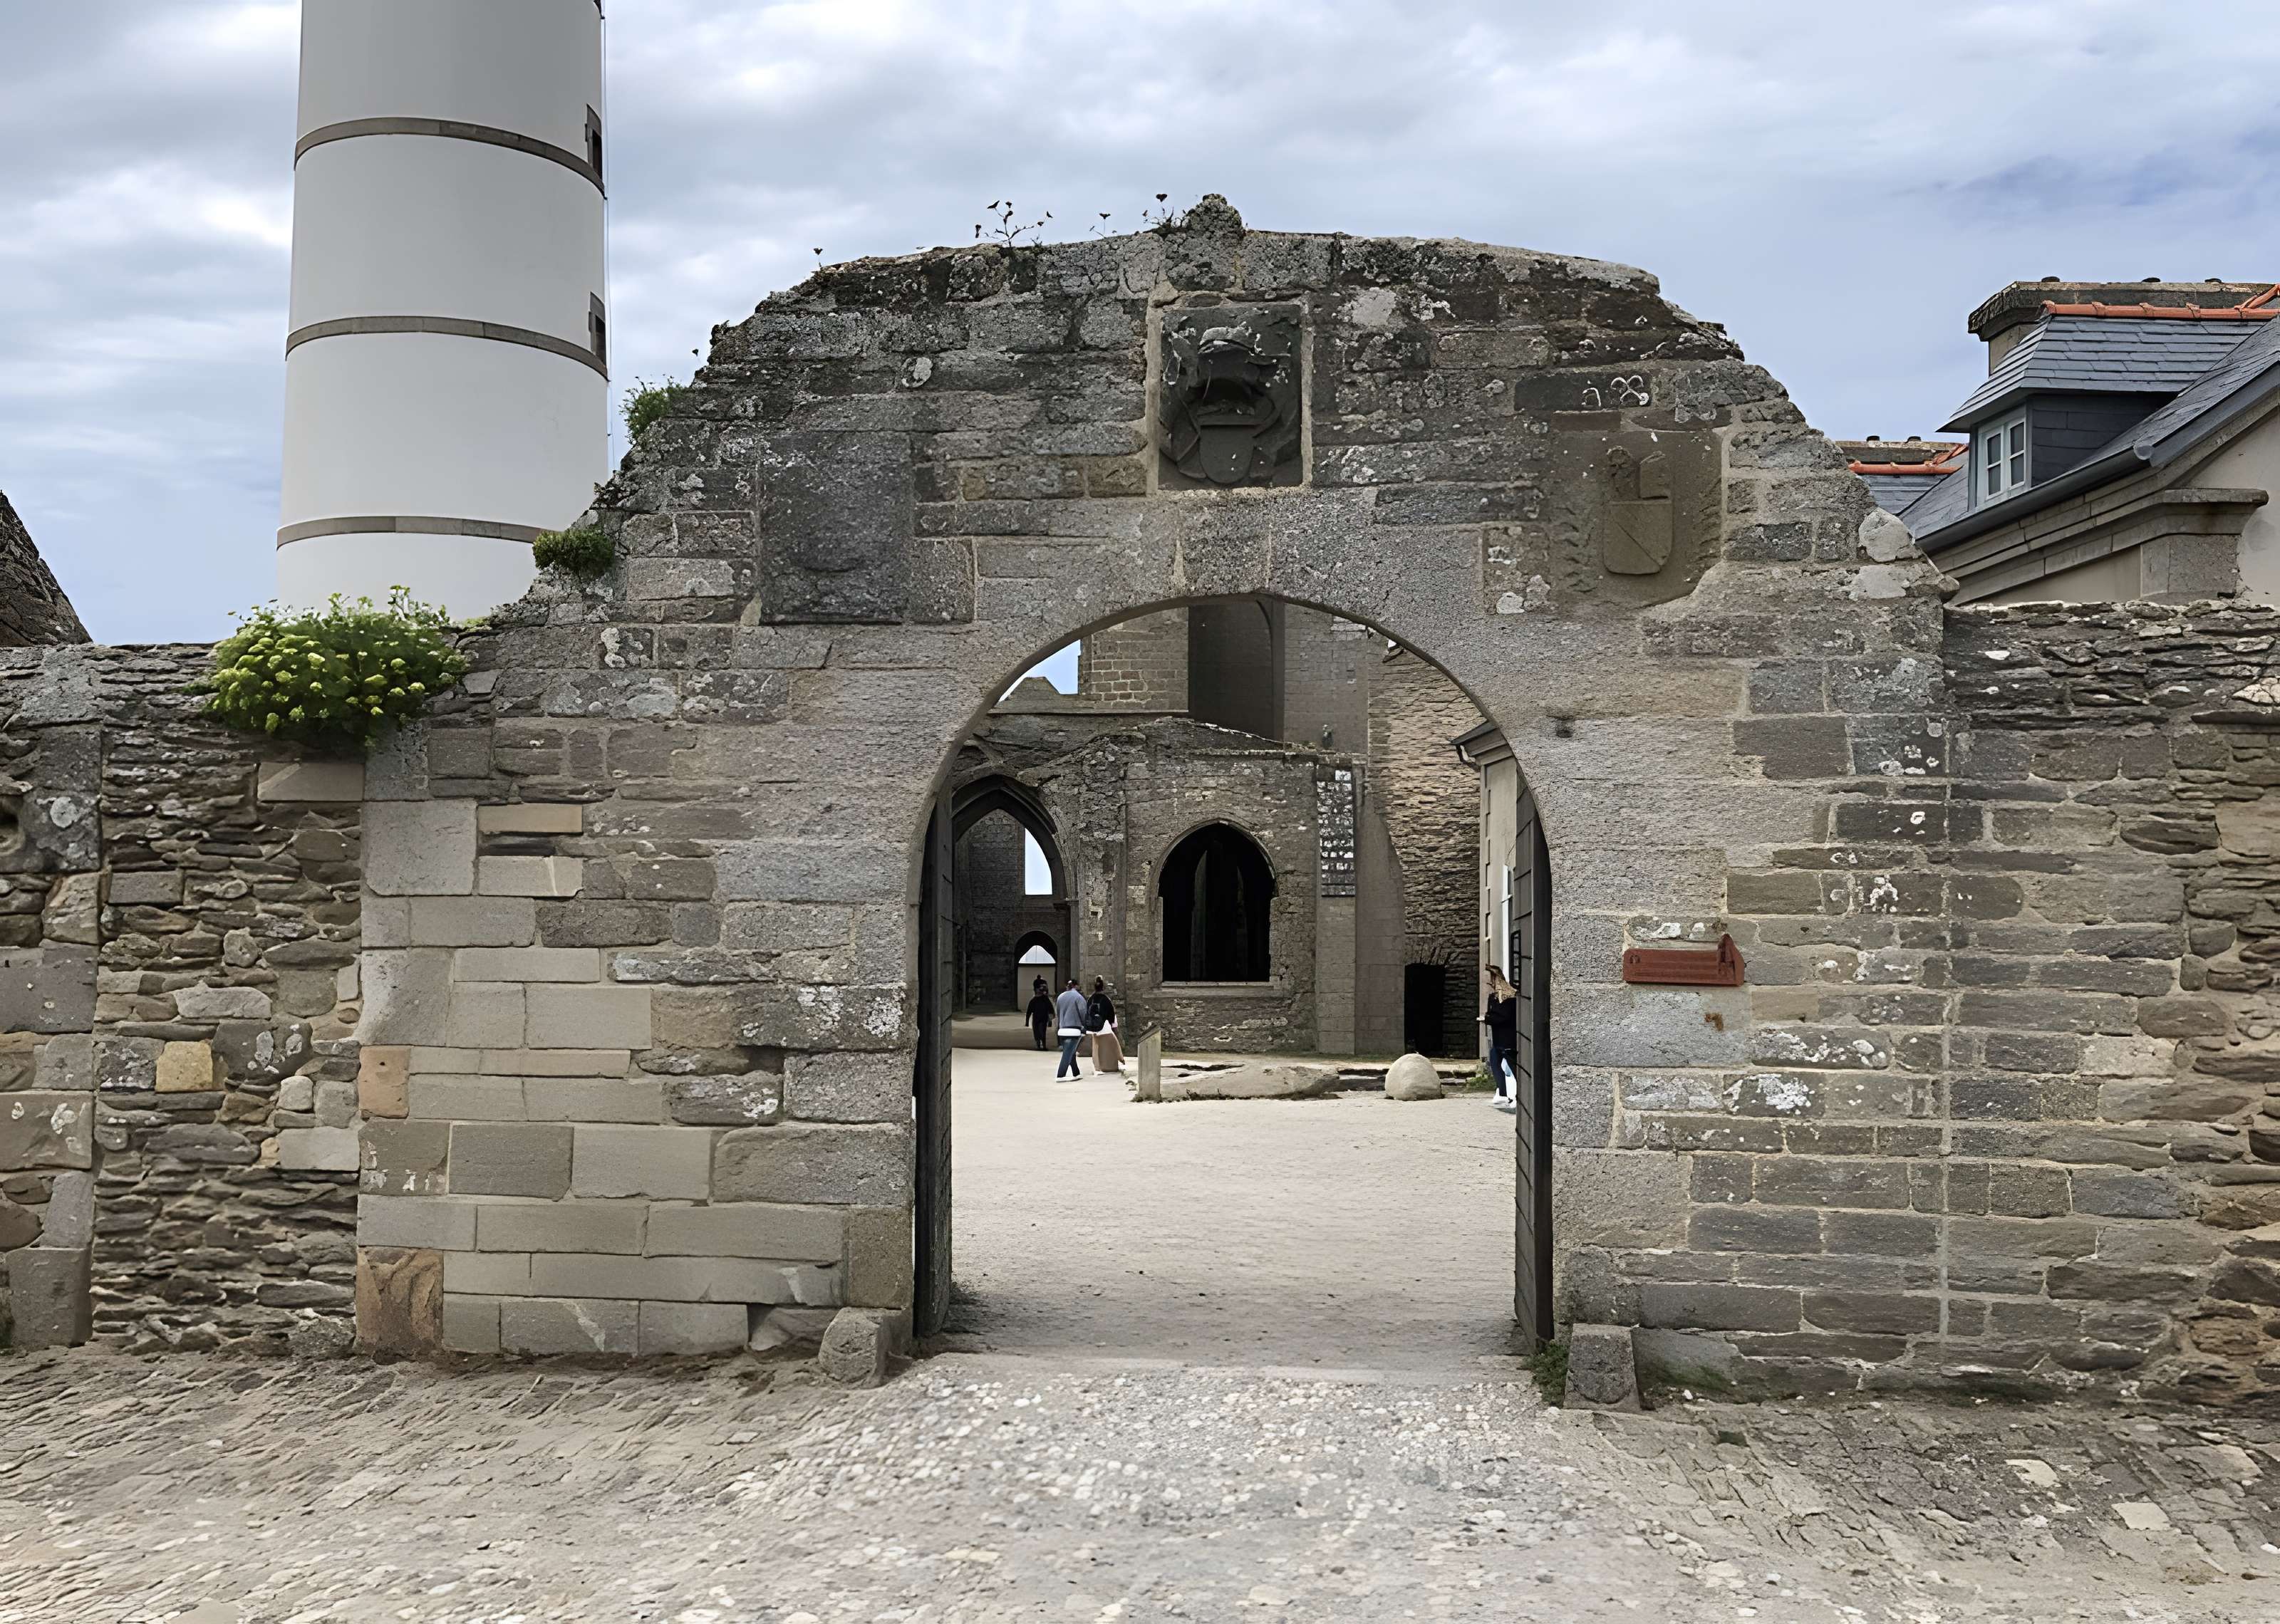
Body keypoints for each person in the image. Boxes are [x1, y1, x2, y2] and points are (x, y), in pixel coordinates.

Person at [1484, 966, 1520, 1115]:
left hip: (1508, 1037)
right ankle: (1502, 1091)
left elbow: (1505, 1017)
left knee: (1511, 1067)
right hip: (1498, 1037)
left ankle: (1515, 1095)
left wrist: (1490, 1018)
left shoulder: (1511, 996)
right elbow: (1491, 1014)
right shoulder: (1492, 997)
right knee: (1495, 1061)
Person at [1052, 977, 1090, 1079]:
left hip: (1062, 1028)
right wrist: (1086, 1027)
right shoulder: (1078, 997)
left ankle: (1076, 1073)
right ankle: (1061, 1074)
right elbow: (1084, 1014)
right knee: (1068, 1053)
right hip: (1074, 1029)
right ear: (1076, 986)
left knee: (1071, 1051)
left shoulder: (1060, 997)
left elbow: (1058, 1013)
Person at [1086, 977, 1122, 1073]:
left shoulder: (1090, 999)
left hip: (1093, 1027)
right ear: (1103, 988)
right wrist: (1113, 1027)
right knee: (1109, 1048)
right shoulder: (1106, 999)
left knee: (1097, 1049)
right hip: (1105, 1027)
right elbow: (1111, 1015)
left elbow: (1087, 1012)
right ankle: (1110, 1066)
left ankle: (1098, 1067)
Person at [1025, 977, 1054, 1051]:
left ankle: (1042, 1045)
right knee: (1037, 1032)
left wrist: (1050, 1020)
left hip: (1042, 1019)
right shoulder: (1036, 1000)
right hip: (1039, 1019)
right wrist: (1027, 1021)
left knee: (1041, 1032)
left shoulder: (1042, 999)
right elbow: (1029, 1011)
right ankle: (1039, 1045)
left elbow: (1050, 1010)